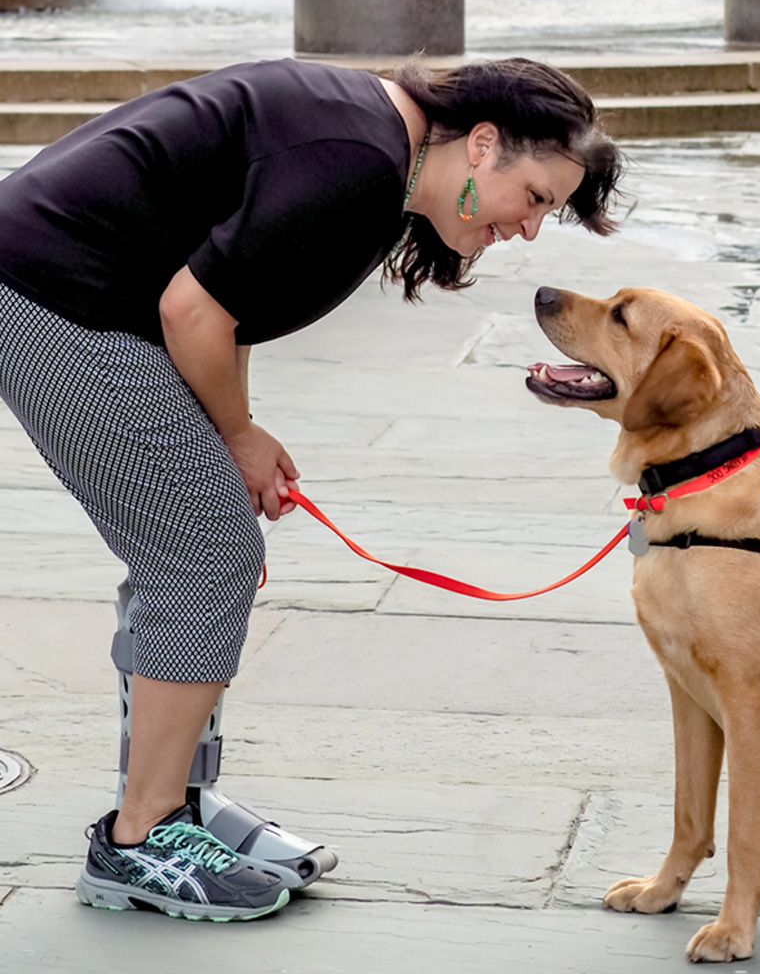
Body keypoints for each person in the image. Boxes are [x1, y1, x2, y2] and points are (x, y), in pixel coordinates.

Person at [0, 56, 622, 922]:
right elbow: (194, 312)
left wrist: (236, 434)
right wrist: (237, 435)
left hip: (84, 291)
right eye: (539, 198)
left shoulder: (378, 150)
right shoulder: (357, 160)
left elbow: (228, 294)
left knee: (202, 548)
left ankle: (178, 804)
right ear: (482, 145)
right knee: (204, 554)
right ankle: (141, 837)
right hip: (50, 294)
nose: (529, 229)